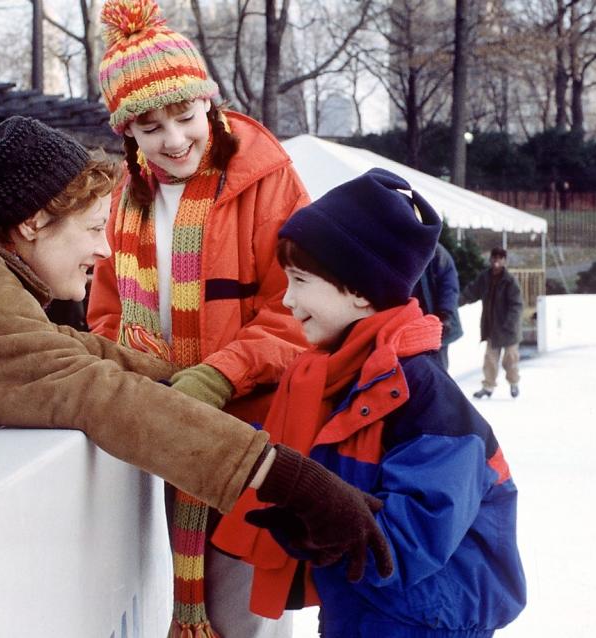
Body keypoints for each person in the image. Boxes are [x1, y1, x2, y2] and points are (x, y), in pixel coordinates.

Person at [0, 116, 392, 638]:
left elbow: (75, 350)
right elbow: (93, 392)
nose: (106, 252)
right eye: (95, 229)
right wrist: (292, 482)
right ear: (33, 222)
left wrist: (192, 385)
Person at [217, 168, 526, 636]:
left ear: (361, 292)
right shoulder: (334, 374)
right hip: (360, 607)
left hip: (425, 621)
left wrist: (318, 520)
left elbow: (406, 543)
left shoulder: (423, 398)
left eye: (300, 280)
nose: (286, 299)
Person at [87, 1, 311, 635]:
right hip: (154, 431)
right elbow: (106, 314)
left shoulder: (268, 180)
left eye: (185, 116)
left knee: (244, 618)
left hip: (248, 434)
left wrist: (219, 375)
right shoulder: (120, 200)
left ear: (208, 103)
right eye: (150, 127)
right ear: (126, 131)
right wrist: (129, 376)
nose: (175, 140)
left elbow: (299, 309)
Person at [459, 247, 523, 399]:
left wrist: (509, 323)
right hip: (492, 327)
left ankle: (514, 384)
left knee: (510, 360)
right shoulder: (485, 277)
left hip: (508, 329)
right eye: (494, 257)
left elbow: (517, 305)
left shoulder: (510, 281)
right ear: (490, 259)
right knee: (490, 360)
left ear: (504, 261)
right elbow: (471, 292)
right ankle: (488, 386)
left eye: (500, 258)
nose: (497, 261)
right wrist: (455, 302)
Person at [411, 242, 462, 370]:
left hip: (438, 322)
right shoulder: (405, 248)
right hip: (413, 325)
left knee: (438, 369)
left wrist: (445, 313)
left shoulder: (437, 253)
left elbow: (449, 286)